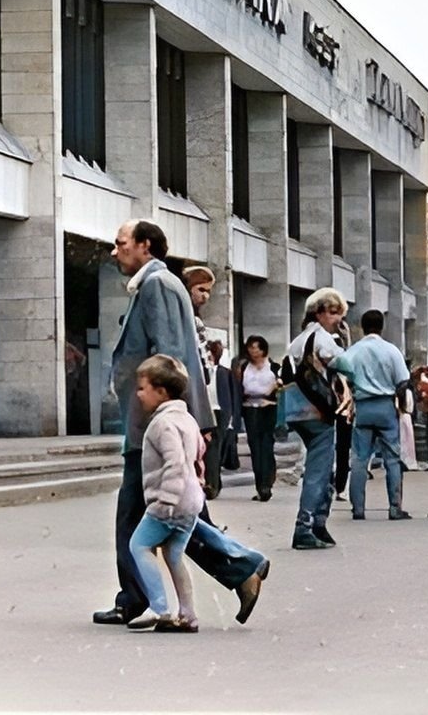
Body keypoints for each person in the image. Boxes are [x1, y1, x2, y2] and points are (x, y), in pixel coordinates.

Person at [96, 219, 268, 628]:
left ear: (145, 246)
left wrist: (166, 419)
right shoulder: (157, 284)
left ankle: (234, 570)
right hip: (155, 421)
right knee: (176, 514)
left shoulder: (157, 284)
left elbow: (169, 358)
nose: (114, 251)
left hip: (154, 425)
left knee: (146, 515)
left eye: (120, 243)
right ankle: (239, 570)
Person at [128, 355, 205, 633]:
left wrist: (166, 501)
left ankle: (159, 607)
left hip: (172, 501)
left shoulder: (162, 424)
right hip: (191, 500)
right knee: (174, 554)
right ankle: (188, 614)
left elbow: (174, 462)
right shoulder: (187, 419)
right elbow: (198, 456)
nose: (138, 394)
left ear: (160, 392)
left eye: (142, 388)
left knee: (138, 546)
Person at [282, 287, 355, 549]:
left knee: (323, 467)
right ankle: (305, 525)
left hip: (297, 410)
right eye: (334, 313)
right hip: (318, 410)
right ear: (320, 312)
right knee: (319, 469)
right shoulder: (322, 339)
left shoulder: (298, 339)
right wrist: (345, 342)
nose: (338, 319)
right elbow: (348, 366)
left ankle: (319, 524)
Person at [342, 310, 411, 520]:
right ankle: (394, 507)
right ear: (381, 326)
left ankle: (358, 509)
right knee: (392, 458)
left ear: (363, 327)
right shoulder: (391, 350)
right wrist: (398, 403)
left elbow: (345, 377)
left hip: (363, 407)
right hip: (386, 407)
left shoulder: (354, 350)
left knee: (360, 459)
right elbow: (403, 381)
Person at [183, 266, 226, 499]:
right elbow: (202, 367)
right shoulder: (192, 320)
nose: (205, 296)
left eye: (208, 291)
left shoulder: (194, 318)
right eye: (200, 289)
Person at [238, 335, 281, 502]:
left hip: (267, 406)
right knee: (255, 447)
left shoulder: (274, 366)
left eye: (256, 347)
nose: (253, 351)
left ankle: (267, 482)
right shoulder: (244, 367)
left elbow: (282, 383)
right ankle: (260, 486)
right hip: (249, 407)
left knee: (266, 445)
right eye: (250, 347)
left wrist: (274, 389)